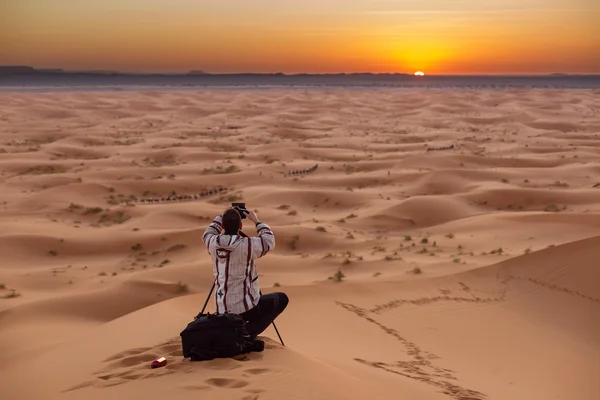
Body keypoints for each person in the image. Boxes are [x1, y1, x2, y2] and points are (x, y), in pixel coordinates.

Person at [202, 207, 288, 338]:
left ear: (223, 225)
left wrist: (221, 217)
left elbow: (208, 233)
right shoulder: (248, 245)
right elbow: (269, 241)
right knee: (281, 299)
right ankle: (246, 333)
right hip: (245, 310)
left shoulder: (212, 243)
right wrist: (256, 221)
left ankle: (236, 330)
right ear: (241, 226)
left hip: (221, 311)